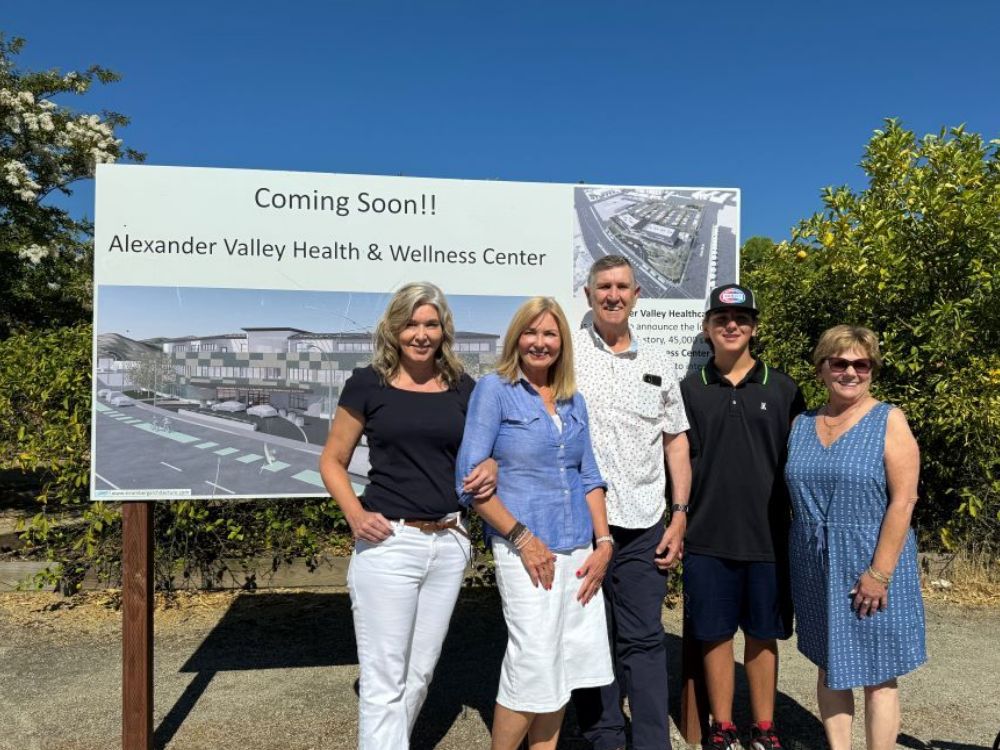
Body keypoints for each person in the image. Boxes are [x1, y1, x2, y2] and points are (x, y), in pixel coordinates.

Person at [319, 282, 495, 750]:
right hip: (389, 544)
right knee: (384, 676)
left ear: (444, 330)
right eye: (411, 324)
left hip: (449, 541)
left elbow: (487, 448)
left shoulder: (462, 386)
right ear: (393, 329)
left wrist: (492, 462)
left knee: (419, 672)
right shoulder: (367, 382)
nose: (421, 334)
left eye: (431, 324)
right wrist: (356, 515)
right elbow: (331, 461)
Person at [456, 296, 614, 750]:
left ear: (562, 342)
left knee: (562, 661)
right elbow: (468, 482)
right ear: (516, 338)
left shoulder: (572, 400)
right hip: (524, 549)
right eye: (531, 332)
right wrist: (522, 537)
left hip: (579, 550)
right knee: (531, 661)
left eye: (549, 334)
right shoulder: (495, 390)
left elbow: (589, 475)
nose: (540, 342)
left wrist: (604, 542)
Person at [785, 325, 926, 750]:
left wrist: (879, 574)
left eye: (860, 364)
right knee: (830, 666)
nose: (850, 371)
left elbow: (904, 501)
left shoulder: (889, 419)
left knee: (878, 674)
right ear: (821, 368)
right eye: (839, 362)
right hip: (814, 562)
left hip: (872, 561)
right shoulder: (802, 424)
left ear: (872, 370)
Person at [570, 255, 691, 750]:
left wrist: (679, 515)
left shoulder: (659, 363)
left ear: (637, 294)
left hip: (645, 523)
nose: (613, 295)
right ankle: (604, 738)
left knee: (643, 641)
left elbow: (676, 441)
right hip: (579, 525)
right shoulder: (568, 356)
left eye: (622, 286)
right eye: (604, 287)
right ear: (589, 295)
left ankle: (650, 742)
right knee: (589, 639)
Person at [680, 283, 805, 750]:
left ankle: (765, 728)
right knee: (713, 637)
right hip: (707, 537)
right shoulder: (690, 390)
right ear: (707, 328)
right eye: (721, 320)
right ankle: (723, 726)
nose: (732, 326)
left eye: (742, 320)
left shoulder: (785, 387)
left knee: (762, 636)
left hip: (768, 538)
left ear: (754, 327)